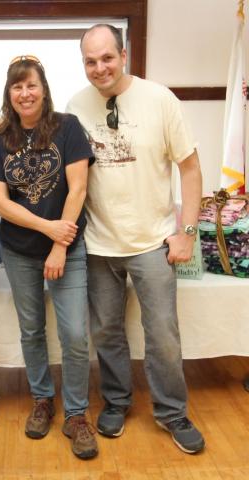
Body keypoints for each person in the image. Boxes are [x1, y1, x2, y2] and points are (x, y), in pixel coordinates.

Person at [66, 24, 205, 454]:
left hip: (153, 242)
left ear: (124, 55)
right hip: (99, 244)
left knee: (162, 332)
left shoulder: (159, 99)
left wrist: (187, 232)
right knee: (106, 331)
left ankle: (172, 412)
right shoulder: (75, 106)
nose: (99, 67)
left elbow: (191, 168)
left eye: (107, 57)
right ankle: (116, 401)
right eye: (90, 61)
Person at [0, 55, 97, 460]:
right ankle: (43, 399)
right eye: (17, 87)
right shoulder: (0, 138)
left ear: (44, 89)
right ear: (9, 95)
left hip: (67, 248)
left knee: (74, 337)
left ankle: (77, 415)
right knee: (31, 330)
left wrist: (59, 244)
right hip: (18, 250)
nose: (25, 93)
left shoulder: (67, 128)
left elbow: (78, 189)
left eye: (31, 85)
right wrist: (48, 230)